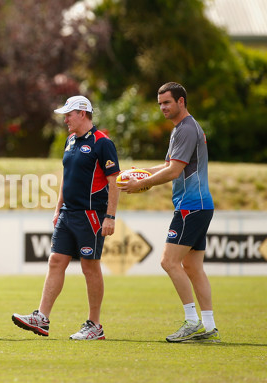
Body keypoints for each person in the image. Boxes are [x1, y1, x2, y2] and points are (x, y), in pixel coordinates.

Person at [12, 95, 120, 339]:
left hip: (92, 215)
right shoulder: (70, 141)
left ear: (82, 113)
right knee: (55, 261)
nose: (65, 119)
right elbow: (66, 176)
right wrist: (58, 207)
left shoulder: (103, 143)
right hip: (67, 213)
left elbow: (114, 181)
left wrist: (110, 216)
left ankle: (95, 325)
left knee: (89, 266)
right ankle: (42, 318)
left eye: (68, 114)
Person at [119, 82, 219, 343]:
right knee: (193, 267)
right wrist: (140, 171)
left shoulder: (186, 129)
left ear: (181, 102)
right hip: (198, 205)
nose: (162, 107)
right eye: (160, 103)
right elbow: (168, 165)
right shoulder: (181, 129)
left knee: (168, 262)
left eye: (167, 102)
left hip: (190, 206)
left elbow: (174, 172)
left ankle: (192, 321)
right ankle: (208, 326)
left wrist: (141, 183)